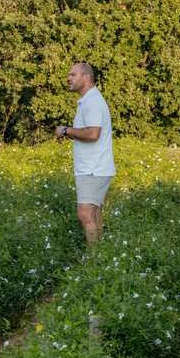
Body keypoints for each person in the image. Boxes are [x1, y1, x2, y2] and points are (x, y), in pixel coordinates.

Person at [55, 62, 114, 243]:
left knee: (85, 214)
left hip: (93, 169)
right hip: (95, 168)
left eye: (73, 75)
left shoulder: (92, 102)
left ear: (86, 78)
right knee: (94, 214)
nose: (68, 78)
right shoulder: (89, 100)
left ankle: (93, 262)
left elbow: (93, 134)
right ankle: (100, 256)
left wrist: (66, 130)